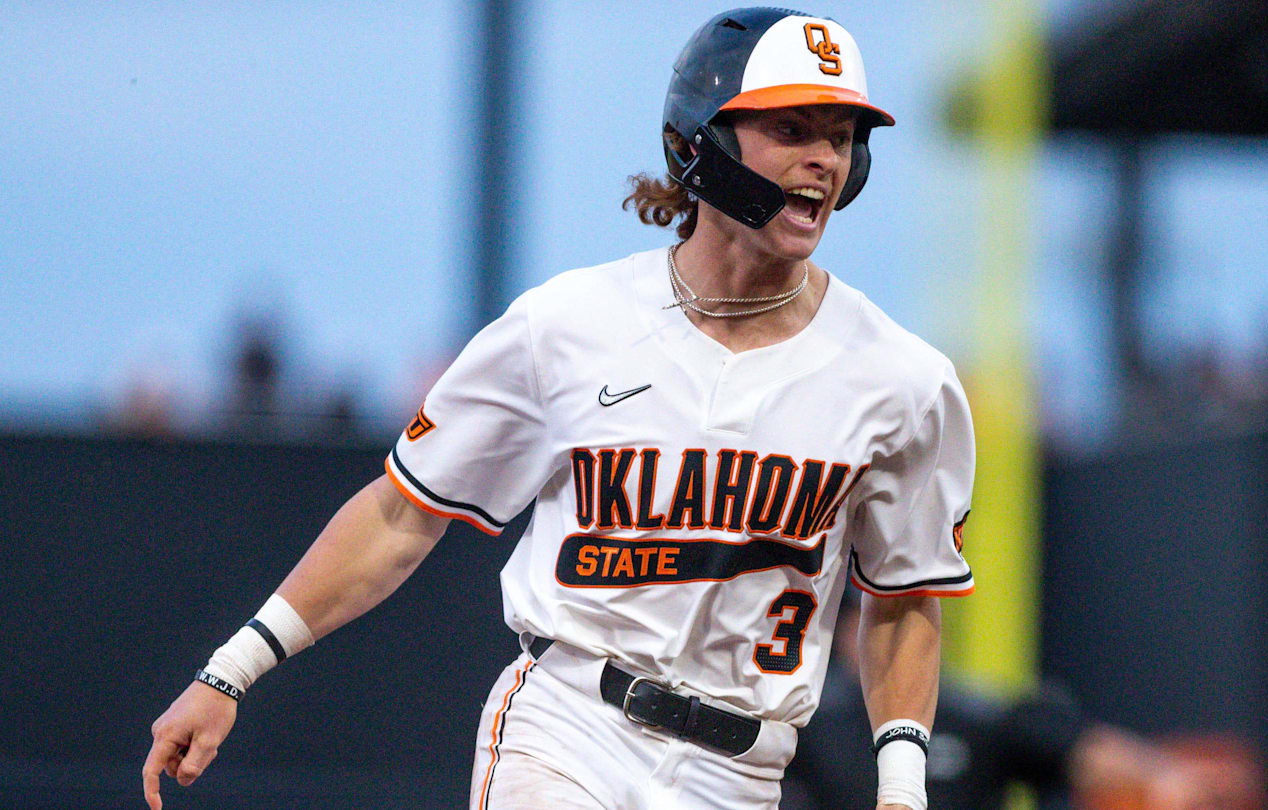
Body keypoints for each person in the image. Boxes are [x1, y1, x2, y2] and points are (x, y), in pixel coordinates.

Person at [143, 9, 977, 810]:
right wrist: (231, 670)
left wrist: (901, 791)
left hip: (747, 772)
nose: (825, 159)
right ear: (701, 141)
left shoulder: (902, 378)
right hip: (572, 726)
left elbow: (904, 599)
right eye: (791, 130)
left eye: (840, 138)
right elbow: (402, 513)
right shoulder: (571, 325)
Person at [783, 591, 1244, 810]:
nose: (895, 637)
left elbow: (1082, 753)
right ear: (846, 633)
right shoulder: (811, 720)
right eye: (875, 622)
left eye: (908, 619)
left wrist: (1166, 776)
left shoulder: (975, 714)